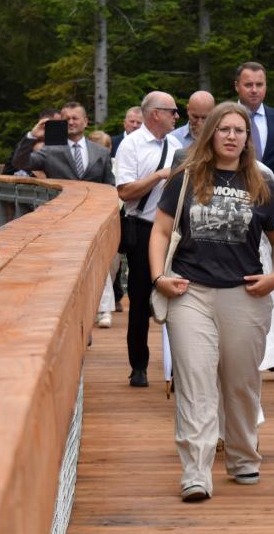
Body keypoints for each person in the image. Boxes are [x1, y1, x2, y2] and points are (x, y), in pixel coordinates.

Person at [149, 101, 274, 501]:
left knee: (241, 384)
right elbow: (160, 231)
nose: (231, 136)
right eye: (224, 129)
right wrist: (158, 277)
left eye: (238, 130)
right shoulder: (187, 176)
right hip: (190, 292)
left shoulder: (262, 181)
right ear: (210, 133)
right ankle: (196, 471)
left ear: (247, 138)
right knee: (196, 382)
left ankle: (243, 456)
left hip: (244, 295)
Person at [13, 103, 116, 326]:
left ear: (86, 122)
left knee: (97, 264)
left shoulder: (100, 152)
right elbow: (21, 162)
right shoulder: (50, 149)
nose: (71, 122)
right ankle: (67, 315)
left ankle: (102, 309)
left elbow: (110, 186)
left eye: (75, 118)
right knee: (64, 270)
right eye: (66, 118)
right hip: (61, 221)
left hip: (92, 219)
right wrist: (32, 136)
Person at [114, 91, 180, 387]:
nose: (177, 116)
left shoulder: (175, 145)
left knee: (179, 297)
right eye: (173, 111)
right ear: (156, 113)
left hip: (174, 232)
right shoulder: (131, 145)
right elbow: (125, 191)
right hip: (142, 228)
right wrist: (160, 175)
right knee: (140, 298)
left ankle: (178, 367)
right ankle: (138, 365)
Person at [232, 62, 274, 191]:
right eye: (248, 85)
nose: (254, 90)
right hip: (234, 193)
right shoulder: (223, 119)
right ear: (237, 86)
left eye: (259, 85)